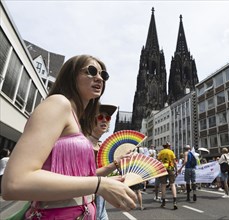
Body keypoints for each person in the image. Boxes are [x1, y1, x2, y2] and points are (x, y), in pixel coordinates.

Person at [1, 55, 137, 219]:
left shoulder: (74, 119)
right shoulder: (58, 104)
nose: (99, 78)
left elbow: (67, 176)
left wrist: (108, 181)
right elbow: (14, 183)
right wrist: (99, 184)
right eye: (91, 71)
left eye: (103, 75)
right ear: (71, 76)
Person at [88, 104, 120, 220]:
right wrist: (115, 164)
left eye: (108, 118)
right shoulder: (81, 144)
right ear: (89, 119)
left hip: (100, 205)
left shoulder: (102, 147)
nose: (105, 120)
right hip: (84, 204)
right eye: (100, 117)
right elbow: (84, 177)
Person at [157, 142, 178, 209]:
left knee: (163, 185)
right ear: (168, 146)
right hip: (170, 168)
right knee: (172, 184)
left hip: (163, 169)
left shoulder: (161, 152)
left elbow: (158, 161)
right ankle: (174, 202)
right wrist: (176, 170)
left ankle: (163, 203)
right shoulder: (171, 152)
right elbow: (174, 162)